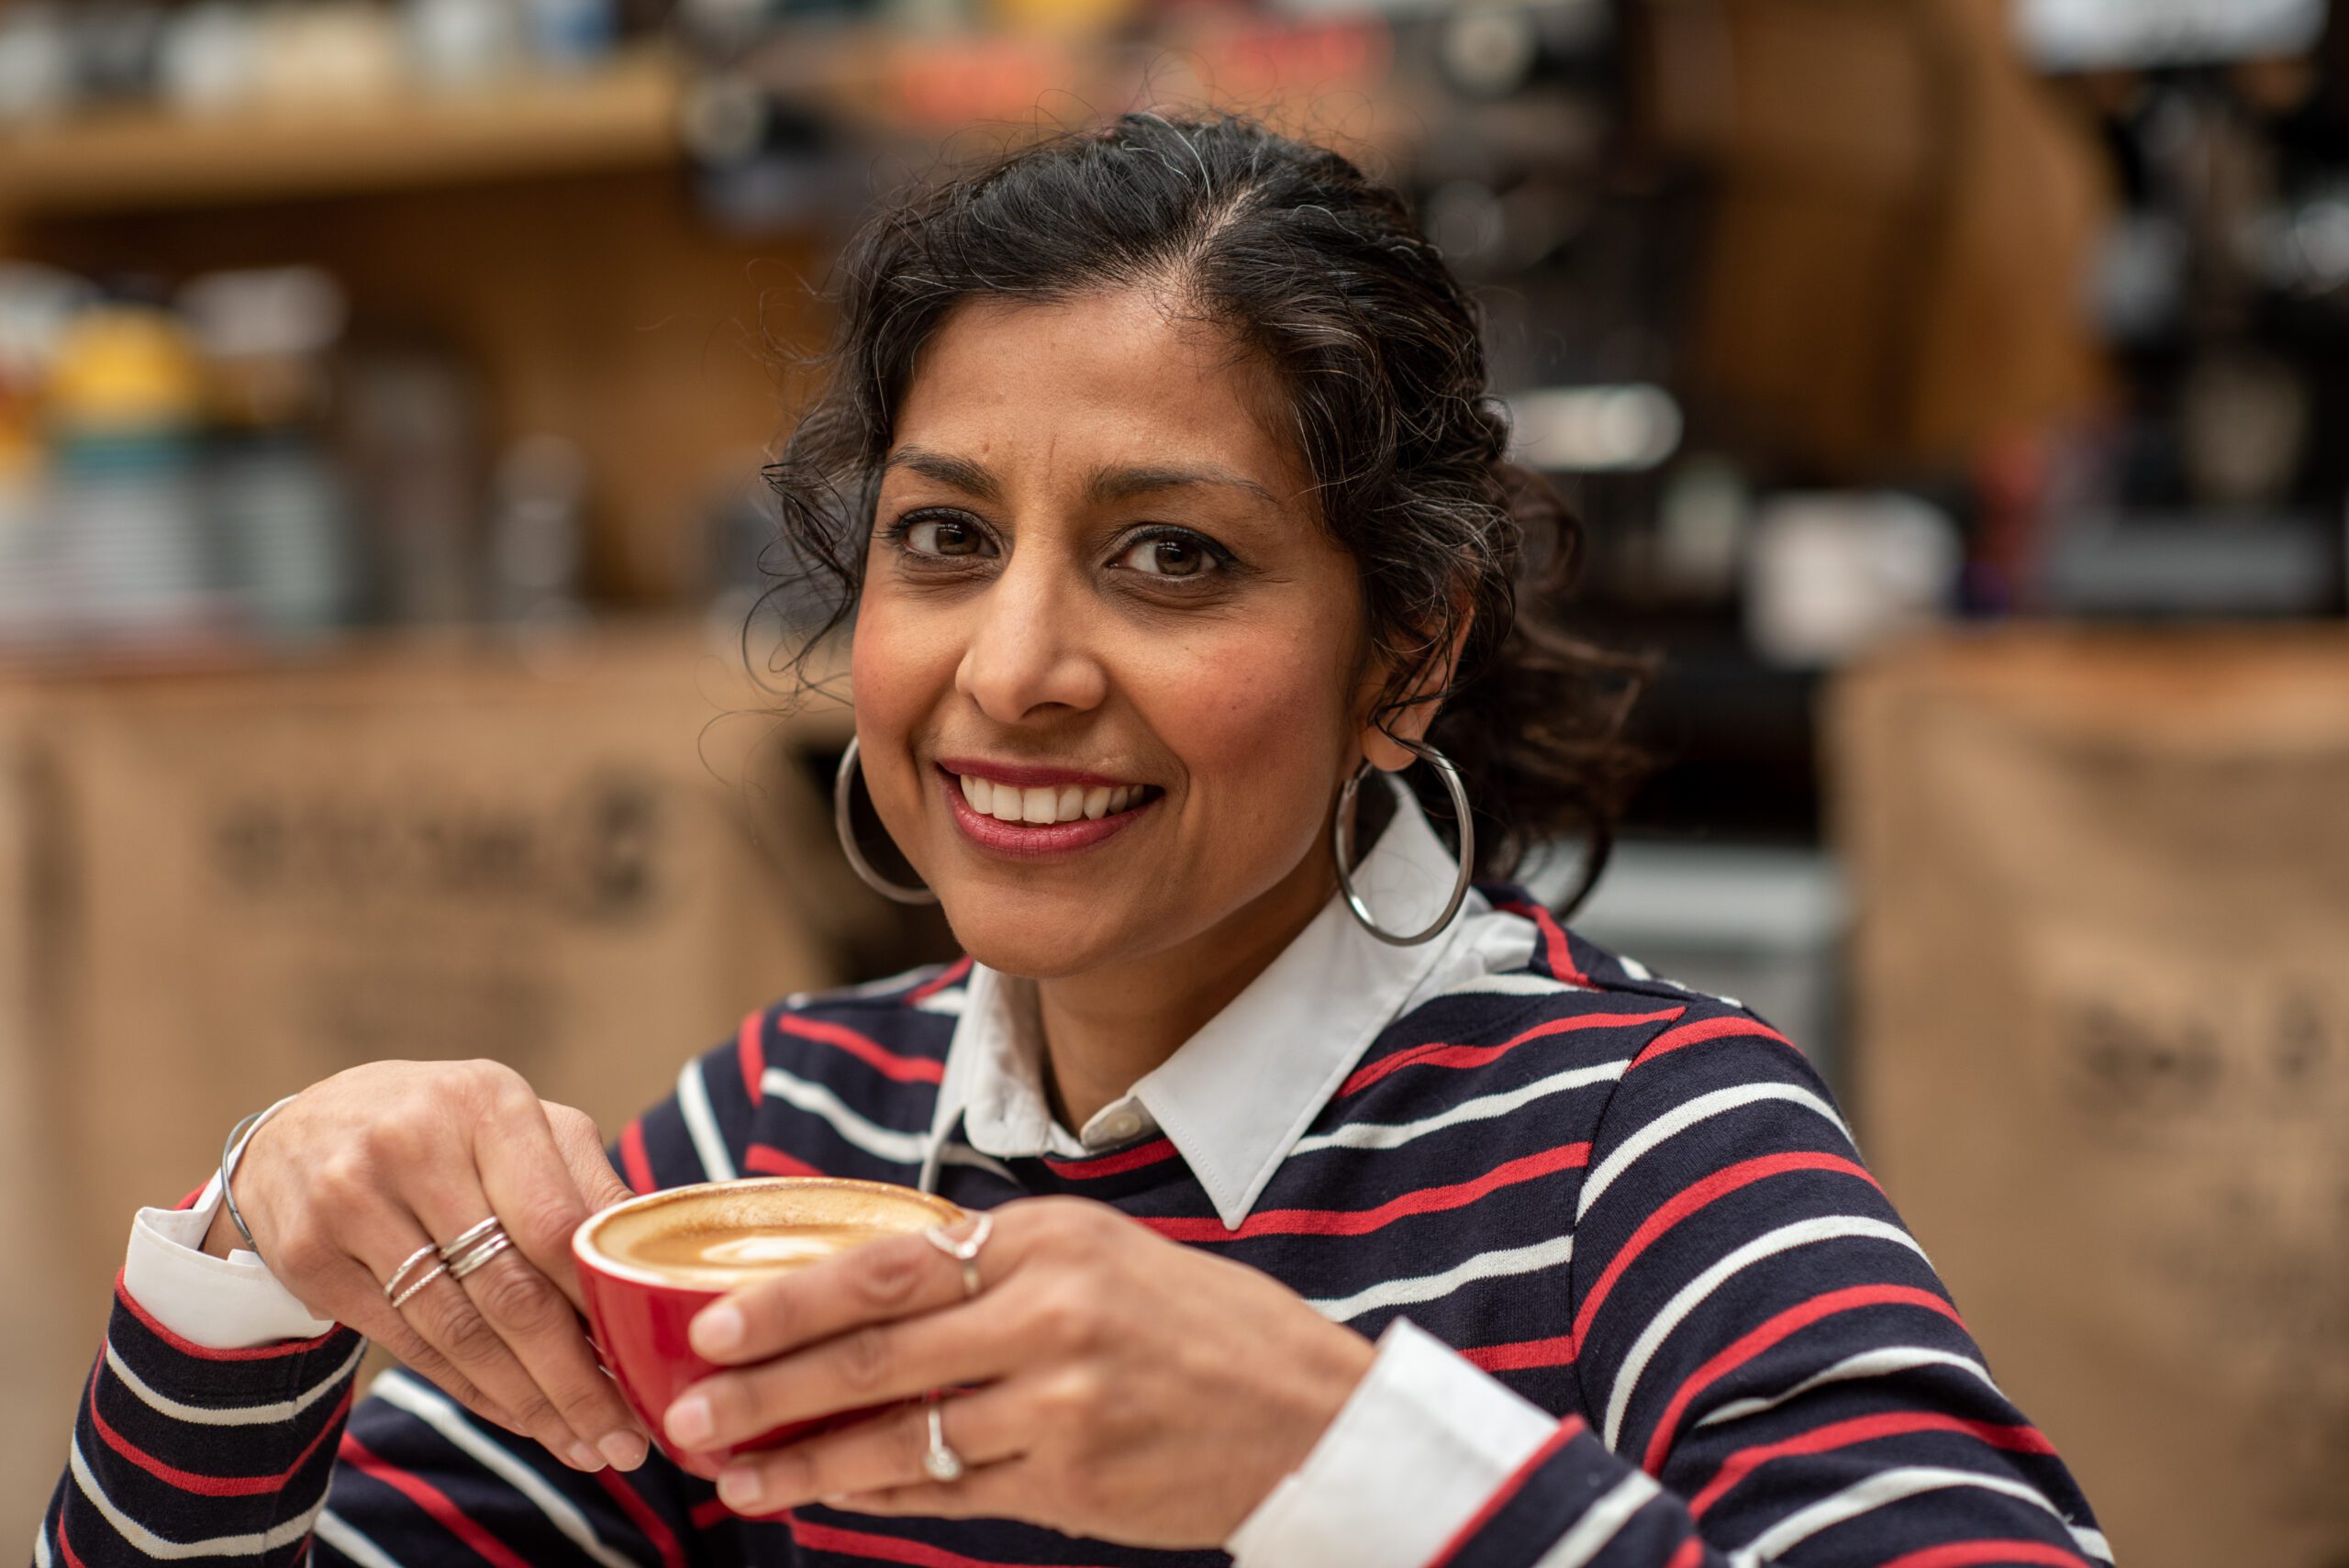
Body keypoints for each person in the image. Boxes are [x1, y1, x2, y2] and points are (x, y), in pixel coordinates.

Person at [40, 113, 2106, 1568]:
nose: (1011, 667)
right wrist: (254, 1248)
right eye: (944, 542)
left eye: (1171, 557)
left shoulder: (1641, 1147)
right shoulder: (772, 1137)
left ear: (1404, 657)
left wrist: (1322, 1451)